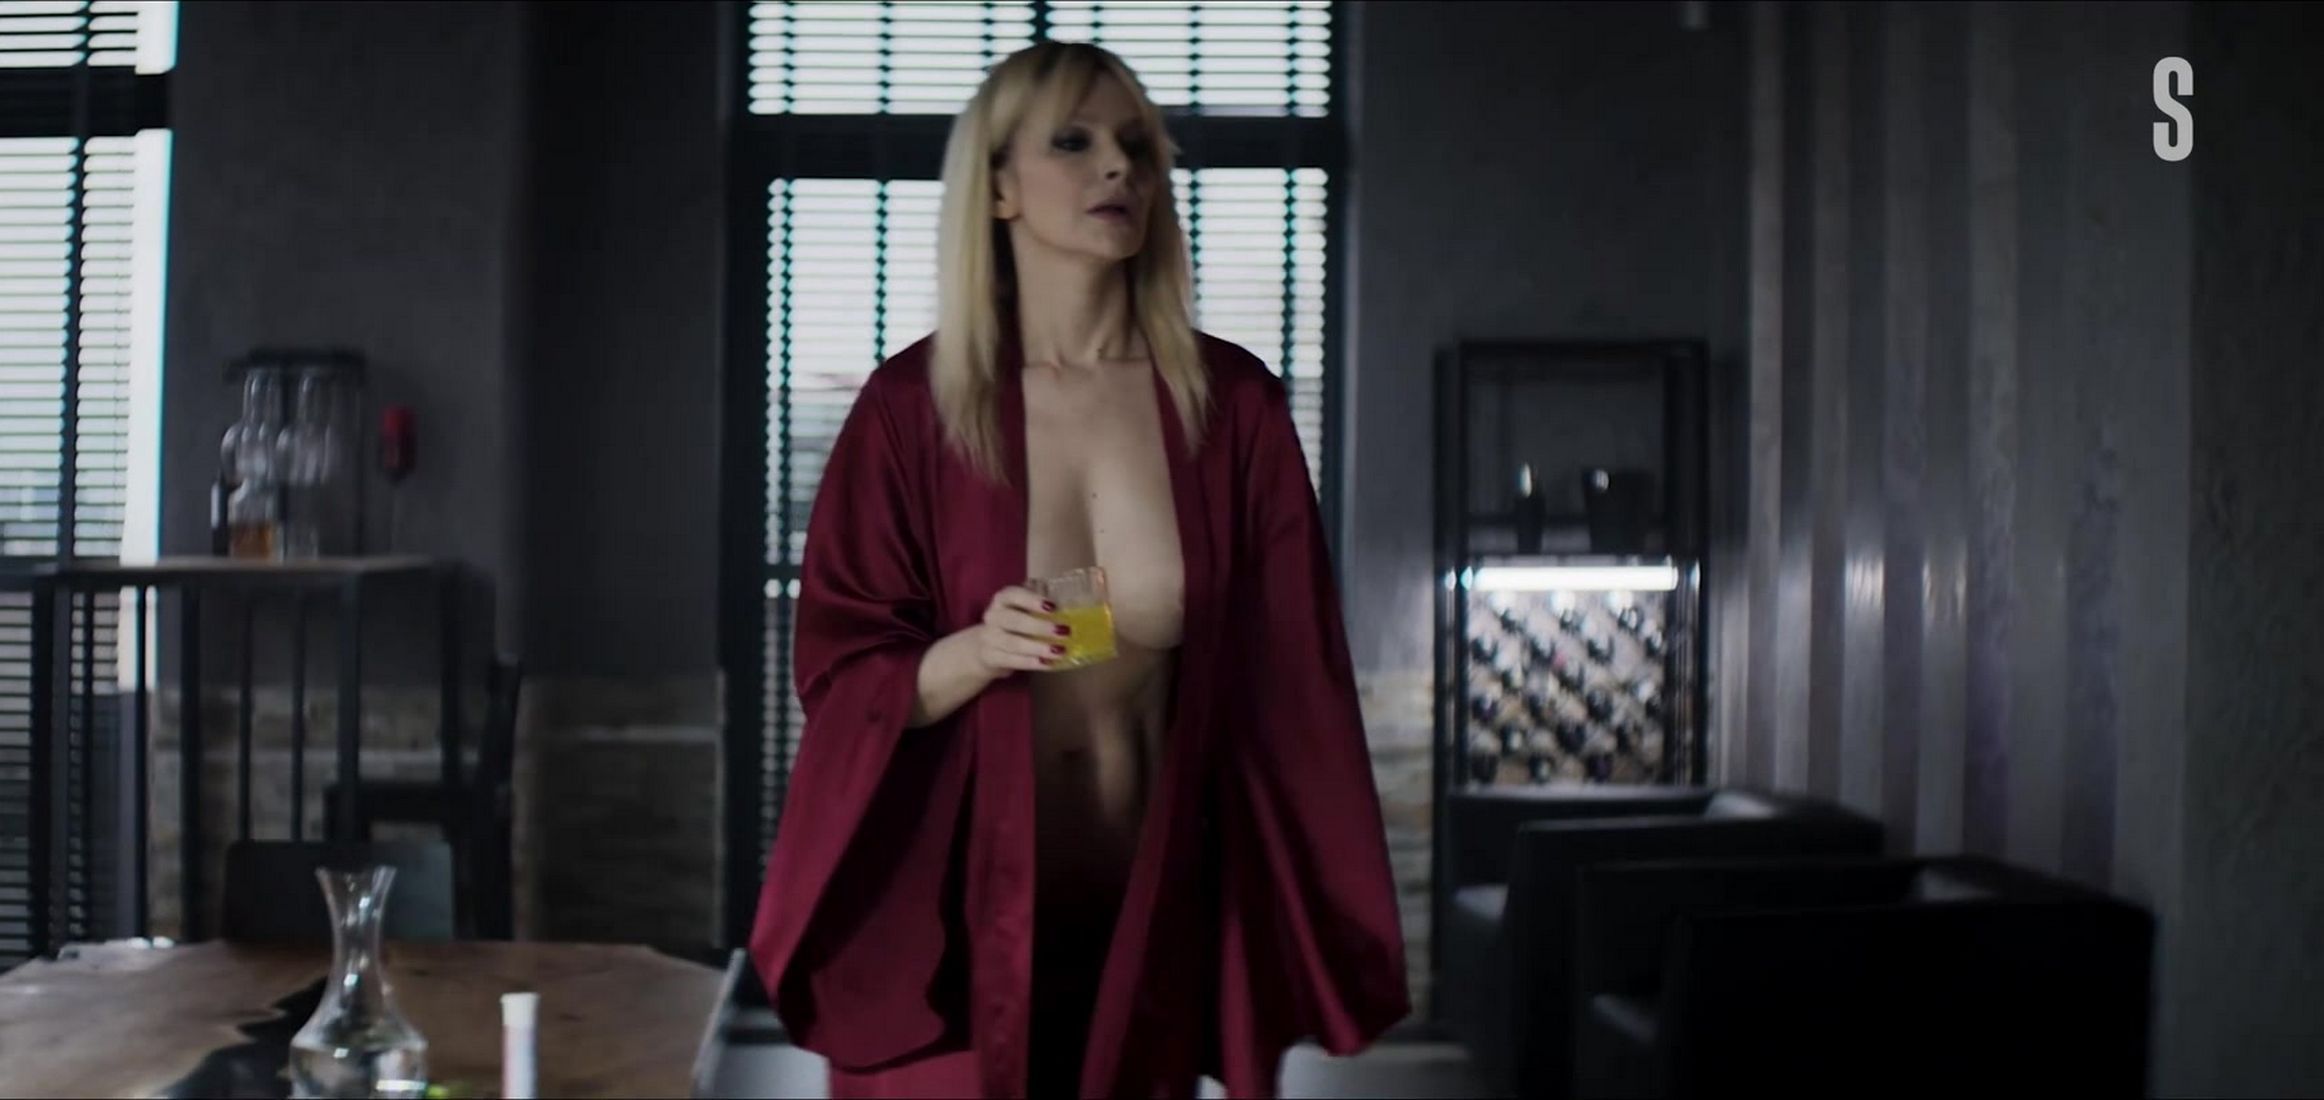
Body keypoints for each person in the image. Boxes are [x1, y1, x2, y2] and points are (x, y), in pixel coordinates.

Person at [747, 41, 1409, 1099]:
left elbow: (1297, 686)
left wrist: (1308, 920)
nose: (1119, 168)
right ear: (997, 187)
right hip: (958, 920)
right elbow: (840, 669)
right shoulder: (912, 408)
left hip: (1149, 911)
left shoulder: (1230, 407)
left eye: (1137, 145)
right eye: (1073, 141)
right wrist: (974, 650)